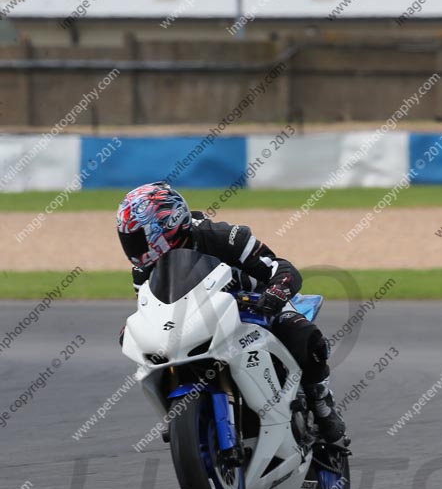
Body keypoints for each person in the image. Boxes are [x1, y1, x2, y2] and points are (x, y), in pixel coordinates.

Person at [116, 181, 346, 443]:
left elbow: (280, 268)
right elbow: (154, 306)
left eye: (137, 239)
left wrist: (275, 293)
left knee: (302, 333)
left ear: (170, 223)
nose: (134, 249)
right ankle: (186, 420)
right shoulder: (144, 269)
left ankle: (321, 402)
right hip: (199, 321)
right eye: (127, 240)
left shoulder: (223, 236)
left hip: (255, 306)